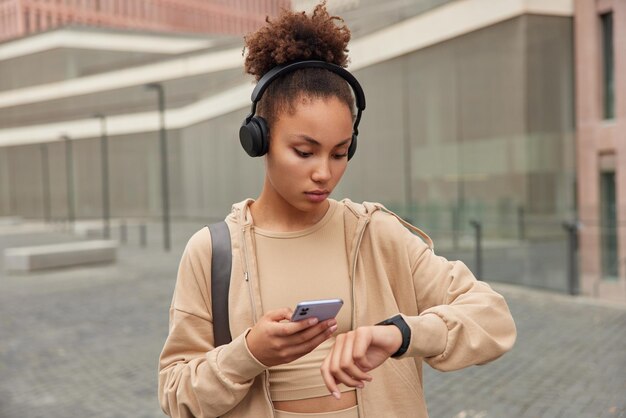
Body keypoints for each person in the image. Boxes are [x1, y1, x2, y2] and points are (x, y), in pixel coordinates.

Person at [158, 3, 516, 417]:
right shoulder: (212, 252)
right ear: (258, 139)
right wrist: (249, 353)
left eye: (340, 153)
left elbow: (493, 320)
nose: (324, 173)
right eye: (304, 151)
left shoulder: (376, 234)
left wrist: (401, 334)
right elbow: (176, 393)